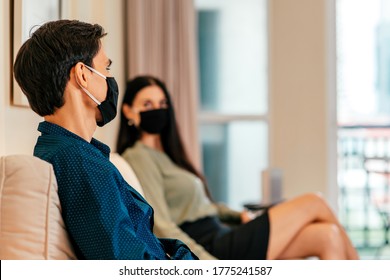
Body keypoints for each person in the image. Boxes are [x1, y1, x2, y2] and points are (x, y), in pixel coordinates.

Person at [116, 75, 360, 260]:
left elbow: (202, 207)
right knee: (314, 202)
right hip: (209, 243)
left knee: (328, 236)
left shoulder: (166, 155)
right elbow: (162, 223)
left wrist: (238, 215)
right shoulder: (138, 156)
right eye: (147, 105)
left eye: (162, 103)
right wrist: (206, 264)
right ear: (128, 111)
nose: (157, 110)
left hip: (222, 230)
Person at [13, 20, 197, 260]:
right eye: (106, 69)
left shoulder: (72, 151)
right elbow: (127, 265)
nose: (110, 79)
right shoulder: (79, 162)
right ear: (82, 75)